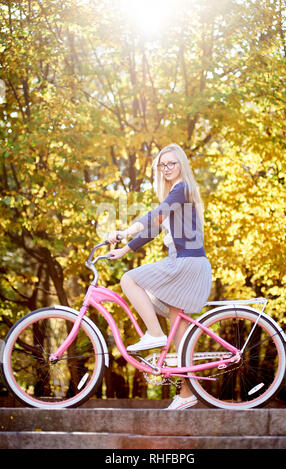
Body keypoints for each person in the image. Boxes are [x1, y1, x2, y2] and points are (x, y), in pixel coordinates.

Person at [107, 143, 212, 410]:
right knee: (180, 334)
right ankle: (187, 393)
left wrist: (123, 232)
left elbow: (154, 217)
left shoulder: (182, 189)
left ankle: (154, 334)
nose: (166, 169)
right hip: (191, 264)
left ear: (182, 166)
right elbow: (153, 230)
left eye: (171, 164)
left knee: (129, 280)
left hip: (185, 264)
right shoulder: (177, 195)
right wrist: (125, 249)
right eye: (162, 165)